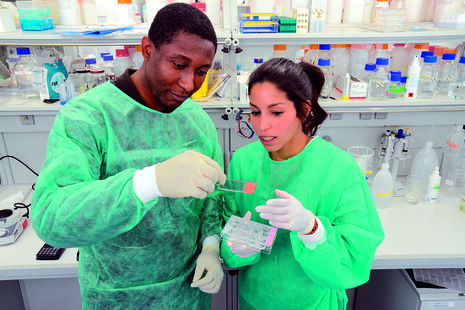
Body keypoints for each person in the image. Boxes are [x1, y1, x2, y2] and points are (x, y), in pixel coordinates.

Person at [31, 3, 226, 309]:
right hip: (117, 294)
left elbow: (212, 200)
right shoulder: (88, 117)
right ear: (147, 49)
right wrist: (148, 183)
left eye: (201, 71)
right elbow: (52, 217)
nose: (189, 83)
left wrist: (211, 246)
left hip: (187, 291)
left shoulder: (197, 121)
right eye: (178, 64)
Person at [220, 58, 385, 310]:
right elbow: (228, 222)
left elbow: (355, 258)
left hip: (313, 303)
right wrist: (237, 246)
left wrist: (312, 229)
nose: (262, 126)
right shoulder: (243, 161)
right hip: (254, 299)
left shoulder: (340, 169)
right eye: (255, 112)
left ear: (304, 111)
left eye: (276, 112)